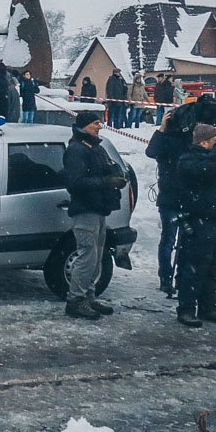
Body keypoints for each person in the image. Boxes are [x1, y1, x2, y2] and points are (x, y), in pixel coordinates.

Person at [62, 111, 125, 319]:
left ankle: (88, 297)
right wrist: (106, 182)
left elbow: (107, 168)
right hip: (85, 210)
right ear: (84, 126)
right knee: (86, 256)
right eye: (95, 123)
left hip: (98, 209)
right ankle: (75, 300)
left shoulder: (95, 147)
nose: (99, 126)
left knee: (96, 257)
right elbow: (75, 183)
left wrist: (115, 174)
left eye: (100, 122)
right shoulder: (76, 150)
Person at [174, 124, 216, 327]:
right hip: (200, 221)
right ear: (204, 142)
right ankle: (187, 308)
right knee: (195, 267)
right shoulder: (189, 159)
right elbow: (204, 172)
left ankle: (208, 306)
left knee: (215, 267)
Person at [146, 111, 186, 296]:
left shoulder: (185, 138)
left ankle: (177, 278)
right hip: (172, 198)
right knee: (170, 240)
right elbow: (151, 152)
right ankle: (167, 278)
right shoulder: (171, 140)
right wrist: (162, 128)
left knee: (175, 241)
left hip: (181, 198)